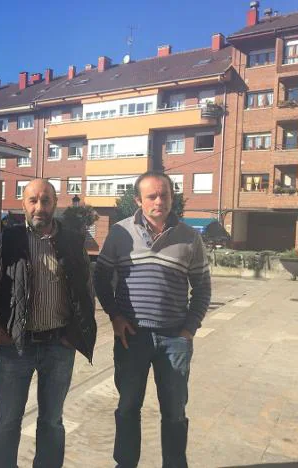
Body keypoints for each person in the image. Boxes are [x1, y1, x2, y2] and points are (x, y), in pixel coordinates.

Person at [94, 171, 211, 468]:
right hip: (132, 337)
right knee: (128, 407)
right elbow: (101, 276)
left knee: (174, 411)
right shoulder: (120, 234)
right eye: (152, 196)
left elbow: (202, 286)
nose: (159, 201)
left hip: (174, 339)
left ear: (172, 197)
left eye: (165, 195)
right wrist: (115, 316)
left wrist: (189, 330)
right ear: (138, 200)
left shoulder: (190, 237)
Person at [0, 178, 97, 468]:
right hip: (15, 347)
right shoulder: (9, 240)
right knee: (7, 421)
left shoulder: (72, 240)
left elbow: (86, 288)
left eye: (46, 200)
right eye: (33, 200)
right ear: (23, 205)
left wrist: (75, 334)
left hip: (59, 346)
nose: (40, 207)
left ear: (55, 204)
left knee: (52, 421)